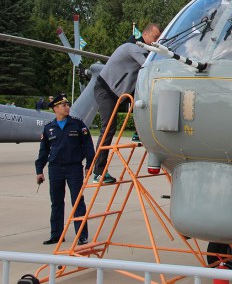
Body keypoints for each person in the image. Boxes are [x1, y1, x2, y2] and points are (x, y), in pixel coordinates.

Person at [92, 23, 161, 184]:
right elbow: (149, 65)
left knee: (144, 96)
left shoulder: (142, 48)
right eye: (155, 37)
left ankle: (138, 132)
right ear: (145, 34)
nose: (156, 41)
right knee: (108, 128)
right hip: (106, 90)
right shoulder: (133, 48)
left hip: (119, 91)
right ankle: (98, 171)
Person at [35, 94, 95, 246]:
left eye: (68, 105)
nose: (67, 107)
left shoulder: (77, 124)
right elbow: (43, 151)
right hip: (55, 169)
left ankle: (81, 235)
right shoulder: (49, 127)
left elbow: (88, 147)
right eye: (63, 105)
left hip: (74, 168)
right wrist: (39, 170)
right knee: (56, 202)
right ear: (55, 108)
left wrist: (89, 165)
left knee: (77, 202)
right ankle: (56, 235)